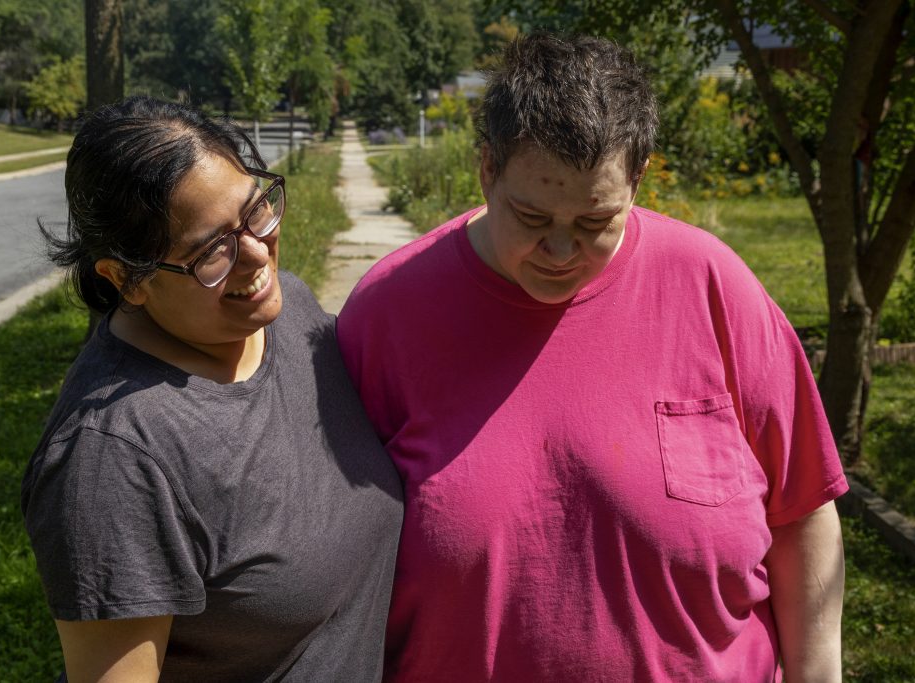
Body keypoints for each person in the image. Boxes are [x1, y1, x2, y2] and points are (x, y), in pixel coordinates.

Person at [337, 33, 848, 682]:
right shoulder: (388, 313)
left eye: (594, 221)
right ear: (487, 168)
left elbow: (801, 509)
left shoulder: (716, 286)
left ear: (638, 179)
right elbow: (334, 556)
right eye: (531, 215)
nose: (559, 250)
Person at [21, 96, 403, 682]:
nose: (256, 255)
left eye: (256, 213)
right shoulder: (114, 460)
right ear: (128, 279)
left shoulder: (287, 310)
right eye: (210, 252)